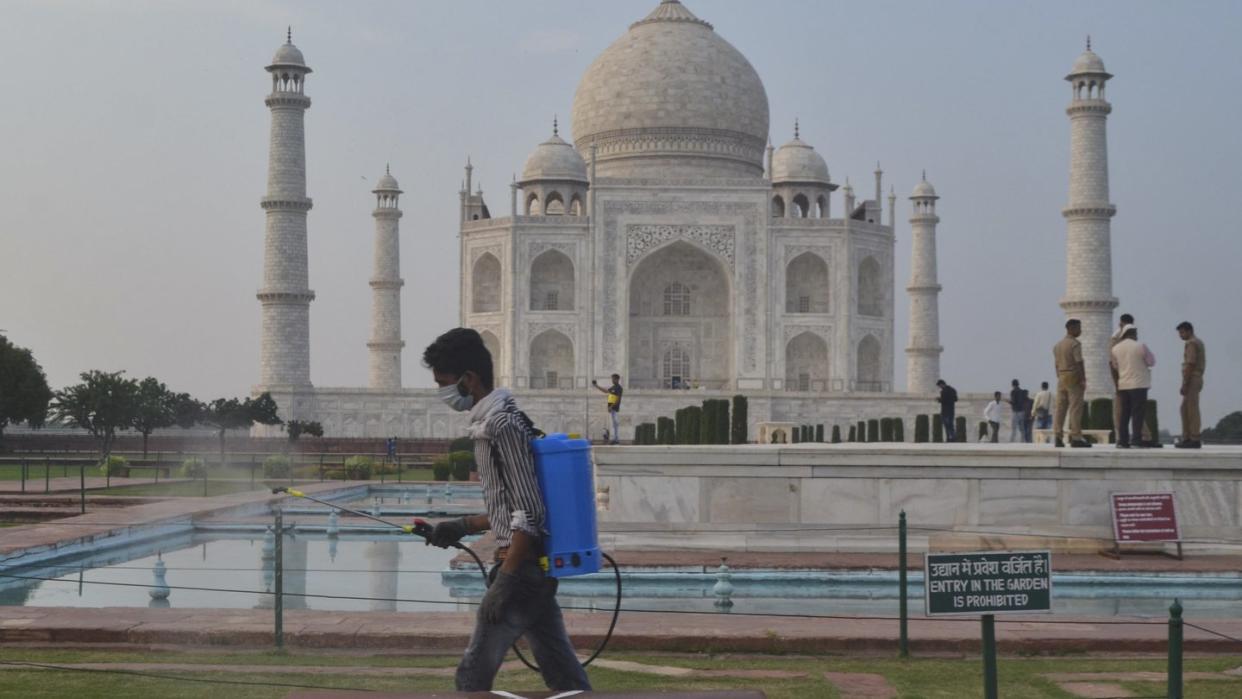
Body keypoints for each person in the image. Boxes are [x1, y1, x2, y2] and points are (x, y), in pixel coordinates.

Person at [421, 328, 591, 693]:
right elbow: (510, 507)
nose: (443, 393)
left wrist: (506, 581)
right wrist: (462, 525)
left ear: (469, 379)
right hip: (527, 570)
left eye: (445, 383)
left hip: (521, 571)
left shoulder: (502, 425)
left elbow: (530, 510)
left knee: (472, 677)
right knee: (563, 673)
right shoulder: (489, 423)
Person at [1109, 324, 1155, 449]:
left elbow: (1114, 366)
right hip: (1139, 384)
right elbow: (1151, 362)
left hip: (1124, 384)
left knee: (1125, 414)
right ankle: (1136, 440)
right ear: (1133, 333)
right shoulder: (1141, 346)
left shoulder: (1115, 349)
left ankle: (1122, 441)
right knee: (1138, 413)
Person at [1053, 319, 1090, 448]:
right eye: (1078, 328)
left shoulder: (1058, 345)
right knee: (1075, 408)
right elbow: (1079, 362)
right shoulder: (1075, 344)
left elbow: (1056, 364)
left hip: (1061, 376)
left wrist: (1060, 376)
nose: (1080, 331)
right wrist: (1083, 379)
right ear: (1072, 328)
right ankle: (1076, 437)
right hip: (1073, 376)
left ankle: (1058, 436)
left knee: (1060, 408)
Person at [1176, 321, 1206, 449]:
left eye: (1182, 332)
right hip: (1195, 378)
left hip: (1192, 378)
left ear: (1189, 331)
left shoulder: (1191, 343)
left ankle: (1194, 438)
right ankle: (1187, 437)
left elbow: (1190, 363)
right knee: (1185, 409)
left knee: (1191, 409)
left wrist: (1185, 383)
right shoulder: (1198, 342)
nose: (1180, 335)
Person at [591, 374, 623, 445]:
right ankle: (614, 439)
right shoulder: (613, 387)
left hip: (614, 408)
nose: (612, 380)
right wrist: (596, 386)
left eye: (613, 379)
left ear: (617, 379)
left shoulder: (619, 388)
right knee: (613, 424)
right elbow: (605, 391)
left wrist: (611, 406)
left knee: (615, 424)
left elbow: (618, 398)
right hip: (611, 409)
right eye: (612, 379)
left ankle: (616, 439)